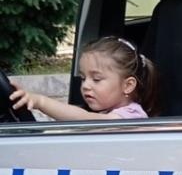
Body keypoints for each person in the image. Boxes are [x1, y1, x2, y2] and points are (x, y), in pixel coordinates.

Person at [10, 36, 158, 120]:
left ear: (128, 85)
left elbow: (85, 119)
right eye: (83, 78)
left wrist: (41, 101)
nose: (86, 85)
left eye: (96, 79)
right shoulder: (106, 112)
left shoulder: (131, 118)